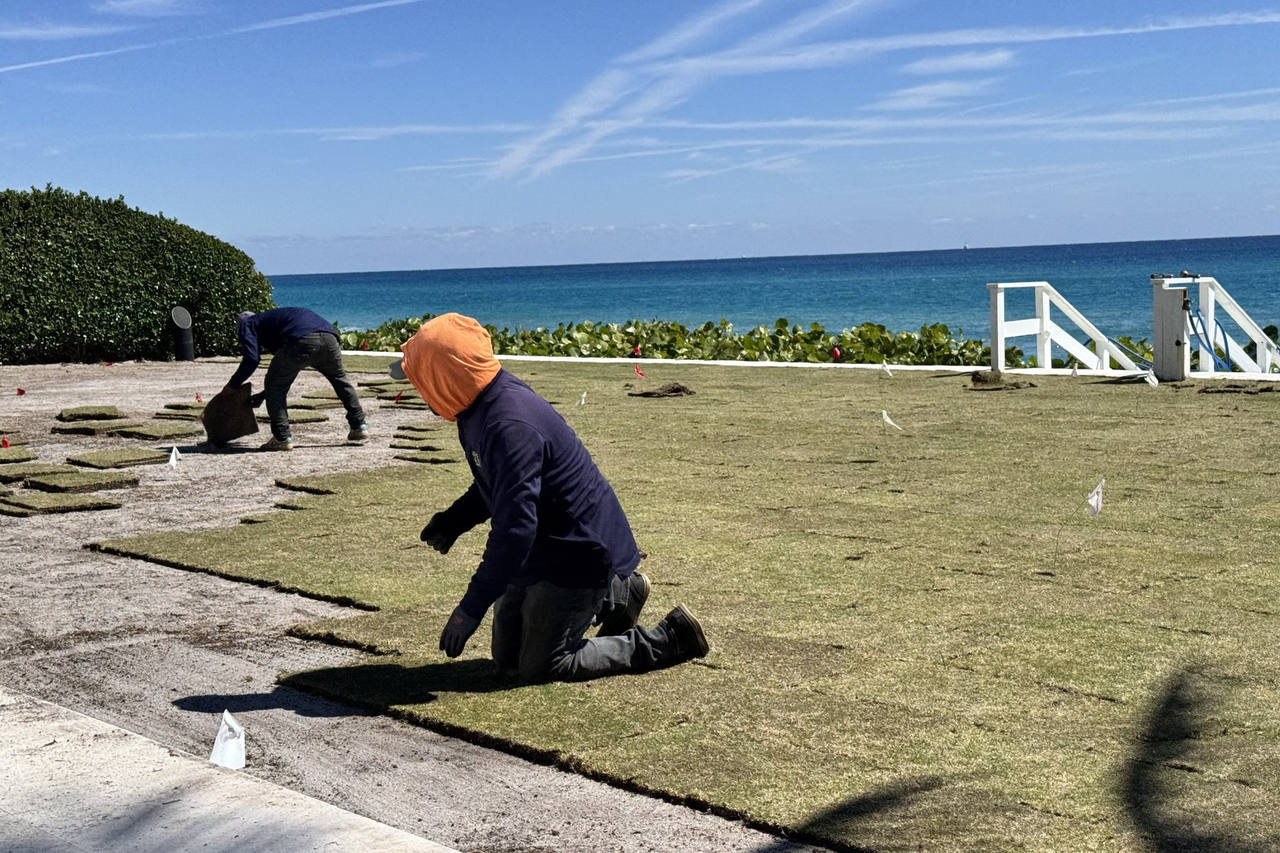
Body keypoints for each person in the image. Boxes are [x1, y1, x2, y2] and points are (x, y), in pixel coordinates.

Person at [398, 312, 708, 684]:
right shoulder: (477, 408)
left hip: (578, 550)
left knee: (542, 665)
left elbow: (514, 532)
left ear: (446, 378)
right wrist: (454, 520)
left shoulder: (509, 424)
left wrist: (469, 609)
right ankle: (620, 592)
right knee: (507, 659)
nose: (418, 389)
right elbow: (497, 485)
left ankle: (669, 638)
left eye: (421, 380)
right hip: (543, 547)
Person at [225, 307, 368, 451]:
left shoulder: (247, 323)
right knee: (339, 379)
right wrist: (264, 395)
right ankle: (359, 426)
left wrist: (232, 385)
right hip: (330, 337)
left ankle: (282, 438)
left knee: (274, 385)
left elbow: (252, 359)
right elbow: (286, 374)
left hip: (303, 338)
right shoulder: (273, 322)